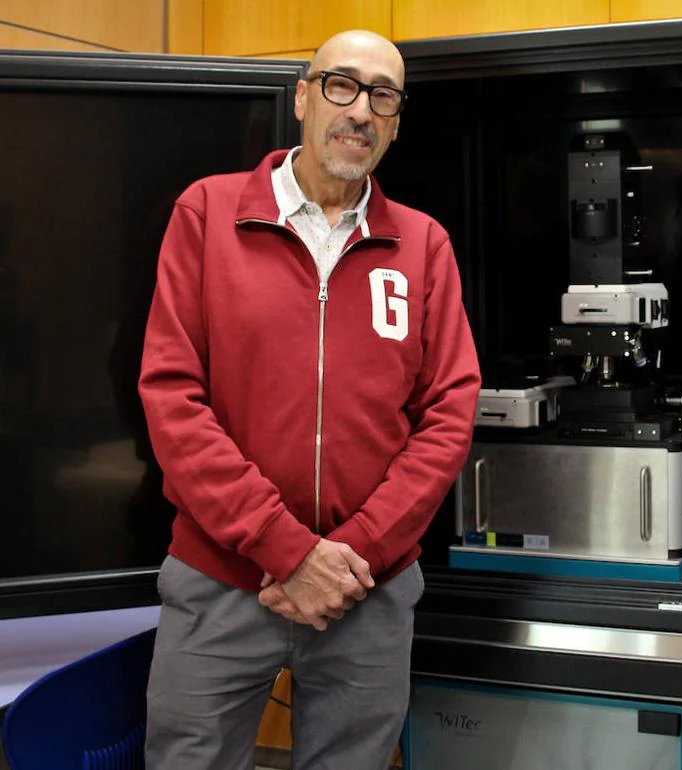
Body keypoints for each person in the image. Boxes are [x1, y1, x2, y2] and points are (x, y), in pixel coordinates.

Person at [138, 29, 480, 769]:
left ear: (394, 121)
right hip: (220, 582)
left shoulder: (423, 246)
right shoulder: (207, 214)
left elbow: (449, 415)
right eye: (341, 85)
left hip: (368, 590)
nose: (360, 109)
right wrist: (287, 551)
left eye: (381, 95)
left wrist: (352, 554)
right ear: (302, 96)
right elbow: (172, 398)